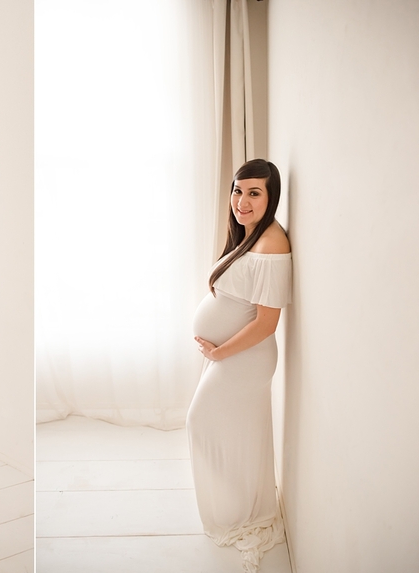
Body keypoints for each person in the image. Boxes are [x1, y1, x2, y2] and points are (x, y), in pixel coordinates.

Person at [187, 160, 292, 573]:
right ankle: (239, 504)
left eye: (254, 193)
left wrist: (219, 353)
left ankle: (240, 513)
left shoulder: (272, 244)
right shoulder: (251, 238)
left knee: (202, 423)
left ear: (271, 198)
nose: (241, 201)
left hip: (244, 359)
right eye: (237, 190)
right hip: (233, 356)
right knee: (233, 433)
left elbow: (267, 324)